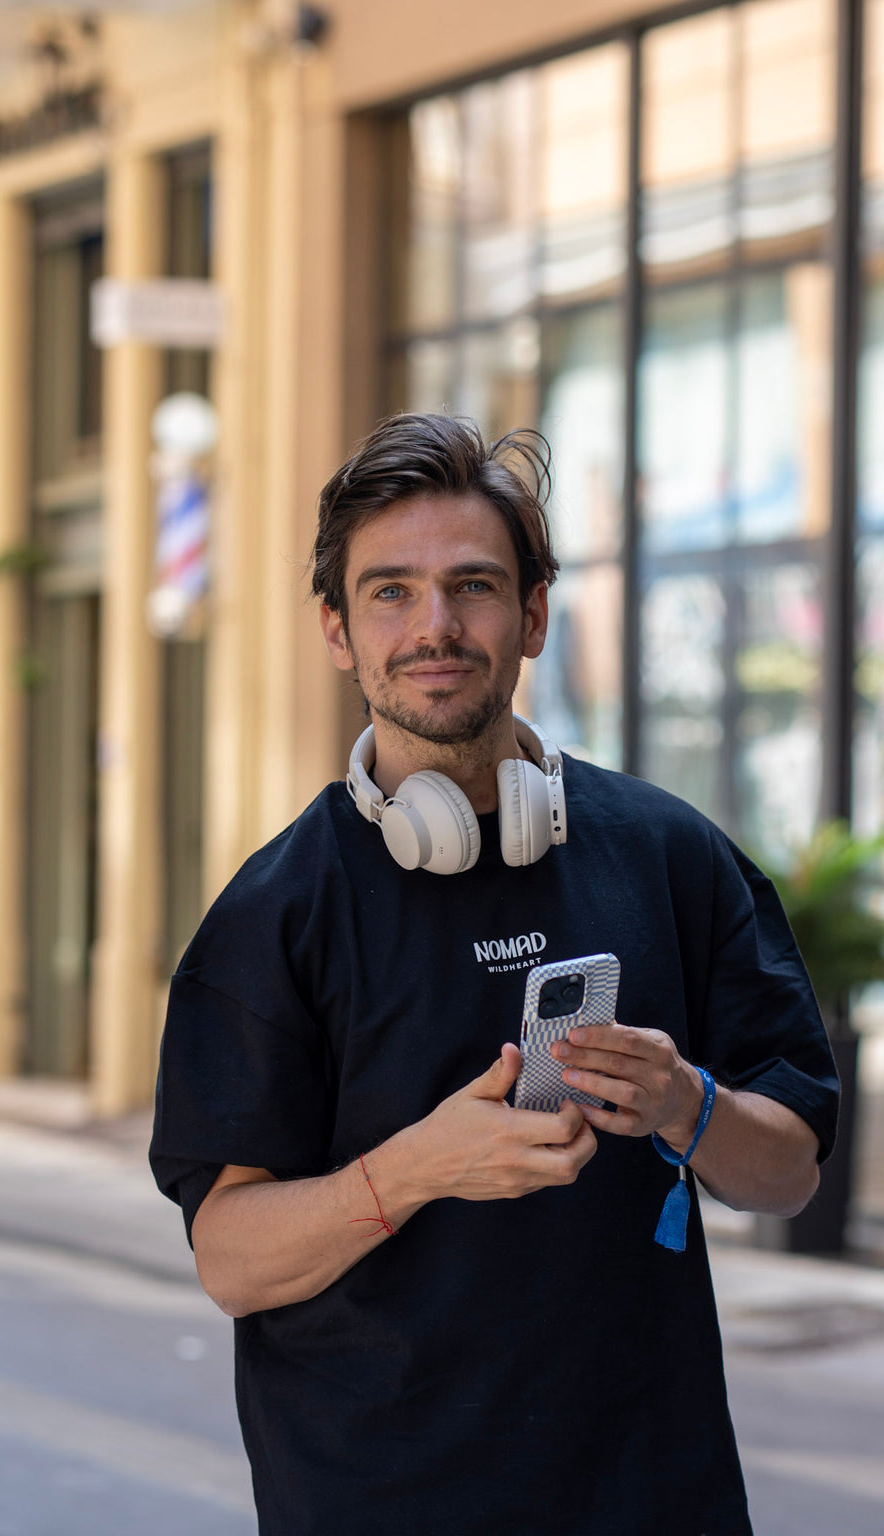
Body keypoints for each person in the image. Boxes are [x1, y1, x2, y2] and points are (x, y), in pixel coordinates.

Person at [150, 413, 838, 1536]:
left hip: (653, 1498)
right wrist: (415, 1168)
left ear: (531, 615)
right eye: (390, 592)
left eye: (471, 586)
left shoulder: (669, 856)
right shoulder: (276, 914)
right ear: (337, 629)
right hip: (374, 1501)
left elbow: (790, 1176)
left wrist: (685, 1103)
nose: (435, 627)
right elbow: (231, 1260)